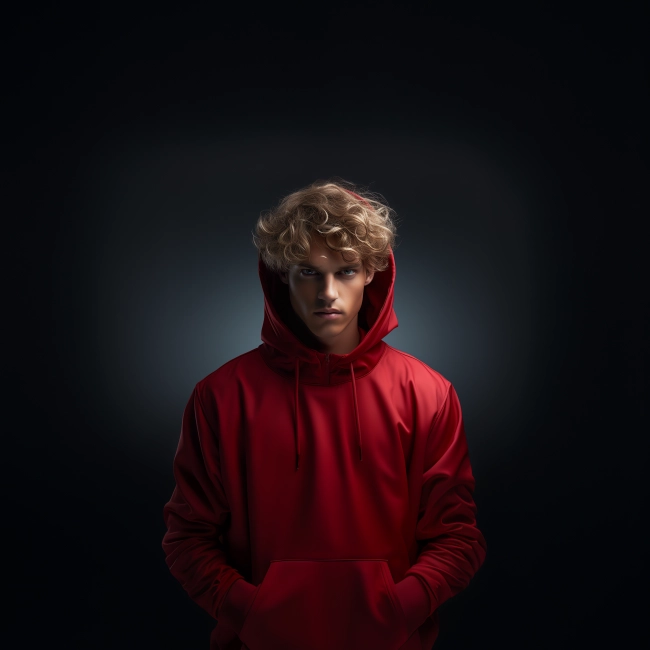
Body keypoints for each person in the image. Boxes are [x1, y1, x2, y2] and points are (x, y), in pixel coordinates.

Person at [161, 179, 487, 650]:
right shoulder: (220, 396)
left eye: (346, 270)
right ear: (281, 276)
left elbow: (458, 539)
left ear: (373, 272)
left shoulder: (428, 394)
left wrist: (395, 612)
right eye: (309, 272)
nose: (328, 292)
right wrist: (254, 615)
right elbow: (187, 539)